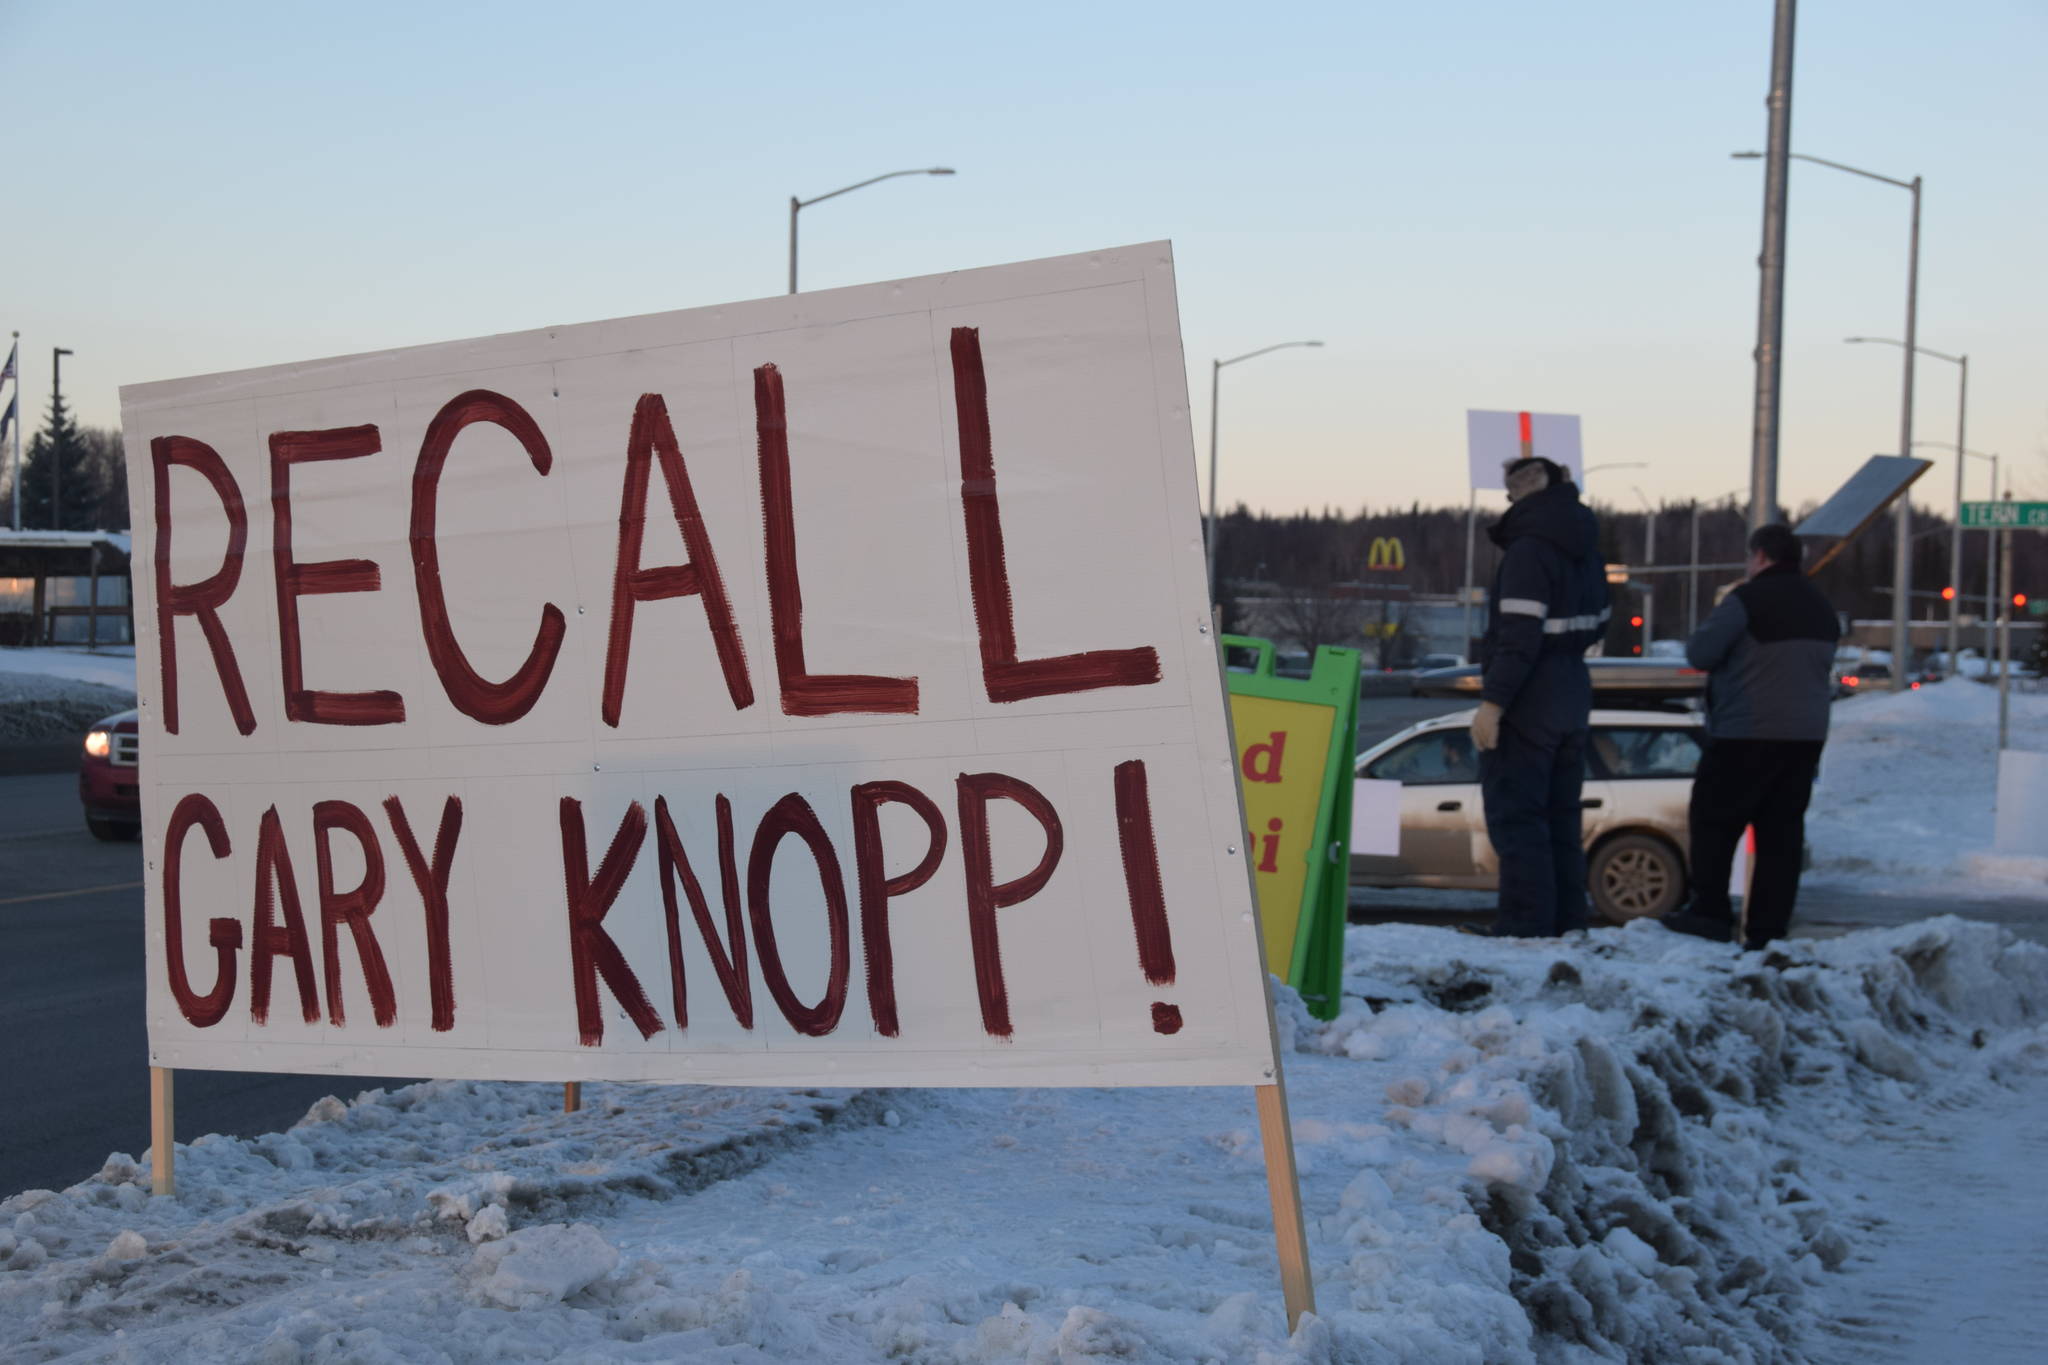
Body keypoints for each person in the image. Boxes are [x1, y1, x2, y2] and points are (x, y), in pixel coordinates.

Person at [1662, 523, 1840, 951]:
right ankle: (1768, 930)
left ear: (1760, 556)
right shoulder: (1821, 606)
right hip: (1806, 738)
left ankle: (1709, 912)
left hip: (1747, 732)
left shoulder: (1747, 599)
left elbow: (1700, 653)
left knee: (1714, 820)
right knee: (1782, 833)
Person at [1466, 456, 1610, 937]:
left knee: (1519, 817)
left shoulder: (1530, 551)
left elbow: (1519, 637)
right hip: (1573, 692)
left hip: (1532, 698)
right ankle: (1568, 925)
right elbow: (1600, 622)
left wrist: (1494, 702)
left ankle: (1526, 928)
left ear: (1520, 493)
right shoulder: (1586, 548)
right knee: (1561, 820)